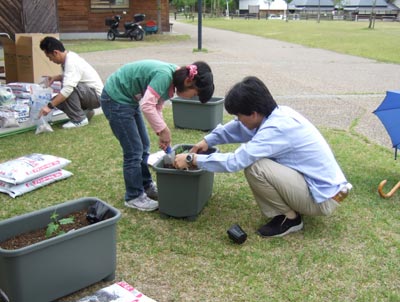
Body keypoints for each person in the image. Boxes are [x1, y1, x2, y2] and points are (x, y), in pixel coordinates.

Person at [174, 76, 352, 237]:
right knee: (260, 160)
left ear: (253, 114)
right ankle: (294, 208)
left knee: (255, 166)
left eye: (239, 115)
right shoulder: (278, 113)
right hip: (324, 189)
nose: (238, 119)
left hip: (322, 199)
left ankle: (290, 219)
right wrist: (208, 140)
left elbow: (235, 162)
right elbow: (238, 127)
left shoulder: (275, 130)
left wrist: (192, 159)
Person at [100, 59, 214, 212]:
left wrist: (161, 132)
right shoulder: (165, 76)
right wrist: (164, 129)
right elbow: (147, 105)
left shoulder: (173, 81)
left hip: (128, 101)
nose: (191, 97)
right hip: (115, 99)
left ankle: (146, 186)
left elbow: (157, 105)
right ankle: (133, 196)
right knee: (134, 151)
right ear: (188, 81)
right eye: (194, 94)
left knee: (144, 146)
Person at [38, 36, 104, 129]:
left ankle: (79, 120)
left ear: (55, 53)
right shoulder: (69, 58)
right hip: (90, 94)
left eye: (49, 57)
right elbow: (73, 76)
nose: (50, 60)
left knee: (67, 91)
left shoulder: (71, 62)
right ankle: (86, 112)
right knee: (58, 100)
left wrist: (49, 106)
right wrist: (56, 77)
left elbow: (68, 89)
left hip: (96, 96)